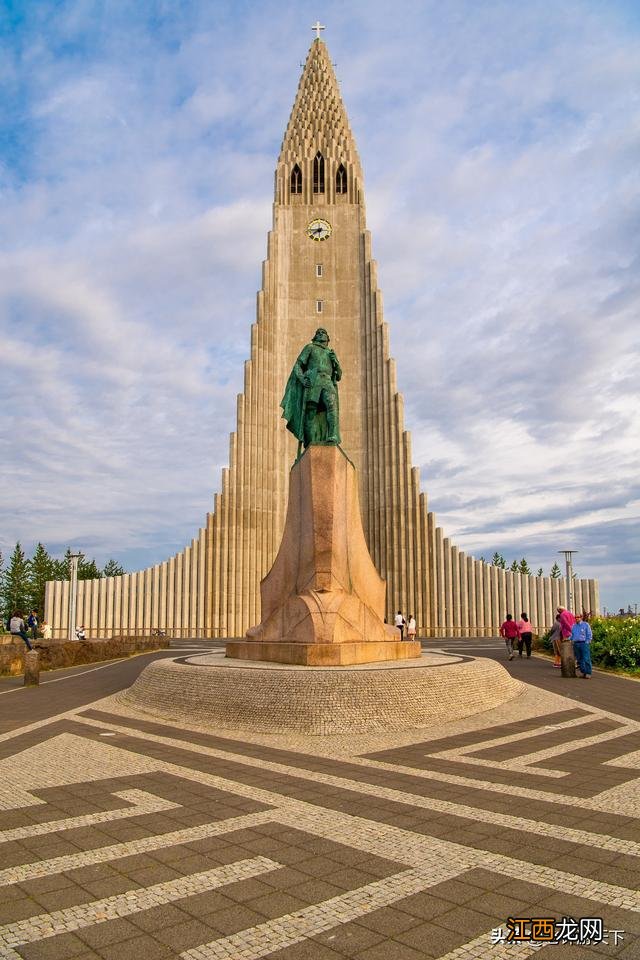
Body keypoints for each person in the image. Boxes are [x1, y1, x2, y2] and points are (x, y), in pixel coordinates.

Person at [281, 328, 342, 451]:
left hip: (327, 381)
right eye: (318, 333)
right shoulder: (310, 348)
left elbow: (339, 375)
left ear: (327, 338)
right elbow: (298, 365)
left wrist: (336, 362)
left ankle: (333, 435)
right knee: (311, 412)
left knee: (332, 406)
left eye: (323, 332)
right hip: (314, 380)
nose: (320, 334)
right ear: (315, 337)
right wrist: (303, 379)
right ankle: (309, 442)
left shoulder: (331, 353)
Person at [571, 613, 593, 678]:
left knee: (586, 658)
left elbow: (589, 634)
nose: (576, 618)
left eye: (578, 617)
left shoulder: (586, 625)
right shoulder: (574, 626)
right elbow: (572, 635)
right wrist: (569, 639)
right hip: (576, 644)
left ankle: (588, 673)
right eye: (575, 617)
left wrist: (587, 642)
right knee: (579, 659)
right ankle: (583, 672)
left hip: (584, 643)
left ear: (581, 617)